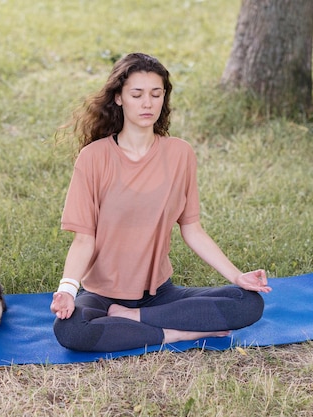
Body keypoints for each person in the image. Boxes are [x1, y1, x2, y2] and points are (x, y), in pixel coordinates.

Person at [50, 52, 271, 352]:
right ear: (119, 98)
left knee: (248, 303)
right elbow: (83, 240)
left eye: (156, 94)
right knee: (71, 331)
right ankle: (174, 333)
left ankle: (133, 318)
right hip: (102, 296)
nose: (147, 103)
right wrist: (67, 289)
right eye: (137, 94)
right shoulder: (94, 158)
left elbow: (192, 228)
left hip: (158, 294)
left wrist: (236, 275)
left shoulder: (180, 154)